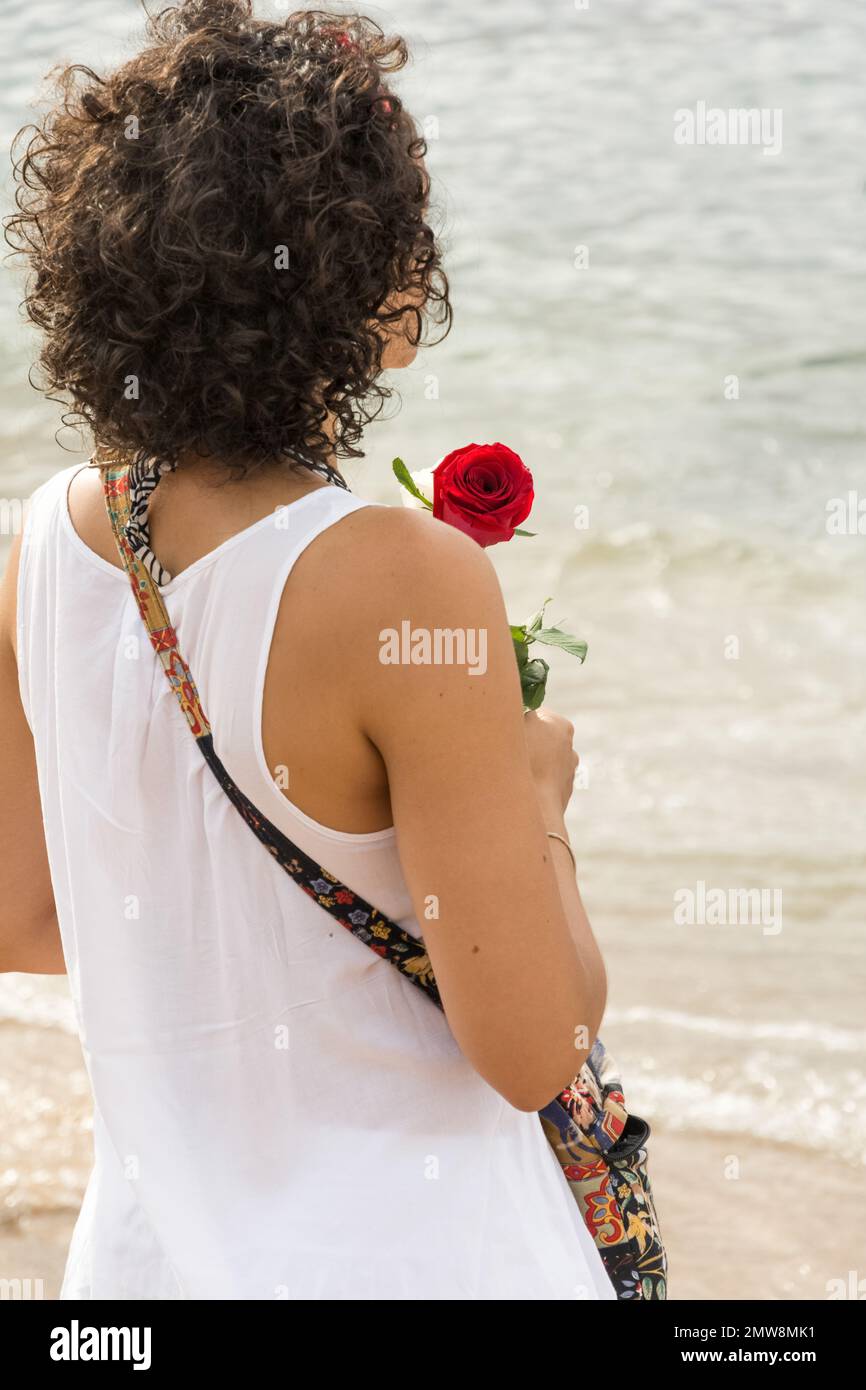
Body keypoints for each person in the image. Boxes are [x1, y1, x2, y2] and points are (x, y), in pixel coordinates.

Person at [0, 0, 613, 1299]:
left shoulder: (38, 551)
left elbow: (28, 918)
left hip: (144, 1269)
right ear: (357, 278)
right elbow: (531, 1045)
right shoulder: (403, 575)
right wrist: (538, 803)